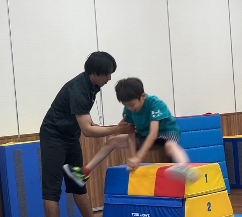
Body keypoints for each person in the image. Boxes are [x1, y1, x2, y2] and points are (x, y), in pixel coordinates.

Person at [40, 52, 134, 217]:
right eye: (107, 74)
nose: (110, 78)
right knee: (52, 189)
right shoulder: (79, 90)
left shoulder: (93, 87)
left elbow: (87, 121)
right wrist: (117, 129)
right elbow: (88, 131)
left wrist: (113, 128)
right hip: (53, 138)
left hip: (70, 138)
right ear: (95, 72)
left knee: (78, 183)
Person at [63, 77, 200, 188]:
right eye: (126, 105)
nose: (130, 108)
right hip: (144, 135)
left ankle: (183, 166)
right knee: (112, 141)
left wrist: (139, 157)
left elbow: (153, 133)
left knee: (170, 145)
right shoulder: (128, 110)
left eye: (132, 105)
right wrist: (133, 158)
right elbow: (131, 133)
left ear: (142, 96)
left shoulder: (155, 103)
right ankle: (85, 172)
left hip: (165, 133)